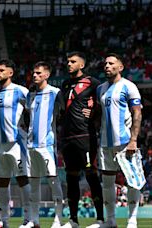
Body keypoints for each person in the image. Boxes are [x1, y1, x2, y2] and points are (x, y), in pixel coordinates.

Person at [96, 53, 144, 228]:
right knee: (107, 183)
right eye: (105, 63)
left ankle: (132, 220)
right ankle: (111, 220)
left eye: (111, 63)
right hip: (105, 143)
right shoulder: (100, 88)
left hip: (125, 142)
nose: (107, 66)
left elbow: (137, 113)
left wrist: (133, 140)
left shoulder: (129, 86)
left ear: (120, 67)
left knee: (132, 181)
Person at [60, 52, 104, 228]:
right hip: (67, 138)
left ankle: (100, 219)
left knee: (91, 175)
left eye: (73, 61)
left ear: (82, 65)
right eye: (68, 61)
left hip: (85, 136)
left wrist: (94, 113)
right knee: (71, 178)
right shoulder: (65, 84)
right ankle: (73, 220)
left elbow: (103, 104)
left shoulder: (93, 83)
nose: (69, 64)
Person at [0, 59, 32, 227]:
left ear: (11, 73)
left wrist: (28, 131)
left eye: (2, 70)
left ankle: (29, 219)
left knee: (23, 179)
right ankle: (3, 220)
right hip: (0, 143)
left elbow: (32, 110)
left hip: (17, 143)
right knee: (2, 181)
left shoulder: (21, 90)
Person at [25, 62, 64, 228]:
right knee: (33, 183)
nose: (35, 76)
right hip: (30, 146)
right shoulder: (30, 95)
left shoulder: (55, 93)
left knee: (53, 181)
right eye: (34, 73)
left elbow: (66, 112)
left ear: (47, 75)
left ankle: (58, 219)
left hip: (47, 145)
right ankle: (35, 220)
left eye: (39, 73)